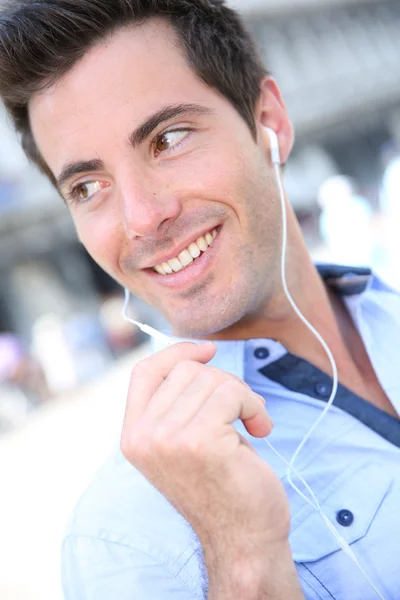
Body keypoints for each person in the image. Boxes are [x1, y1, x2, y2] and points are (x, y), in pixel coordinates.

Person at [0, 1, 399, 598]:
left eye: (169, 138)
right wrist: (241, 556)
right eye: (88, 186)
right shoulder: (120, 541)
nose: (141, 218)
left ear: (270, 123)